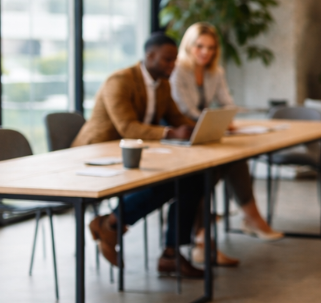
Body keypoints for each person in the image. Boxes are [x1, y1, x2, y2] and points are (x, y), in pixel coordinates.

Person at [73, 32, 206, 278]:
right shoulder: (119, 81)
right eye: (167, 60)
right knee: (169, 180)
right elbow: (128, 128)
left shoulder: (163, 84)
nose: (172, 65)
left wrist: (202, 128)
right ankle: (112, 223)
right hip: (98, 153)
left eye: (174, 60)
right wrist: (170, 132)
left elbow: (178, 119)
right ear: (150, 56)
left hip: (137, 154)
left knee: (191, 179)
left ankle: (169, 254)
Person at [170, 22, 283, 261]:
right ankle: (207, 238)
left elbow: (227, 102)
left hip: (206, 133)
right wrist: (214, 120)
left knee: (234, 159)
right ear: (189, 46)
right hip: (182, 136)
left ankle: (239, 223)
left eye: (210, 47)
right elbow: (185, 109)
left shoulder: (215, 72)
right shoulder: (177, 71)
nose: (205, 52)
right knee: (203, 175)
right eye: (199, 46)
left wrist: (225, 118)